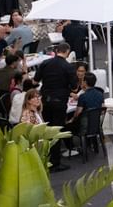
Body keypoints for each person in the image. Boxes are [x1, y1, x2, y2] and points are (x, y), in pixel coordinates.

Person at [36, 43, 73, 172]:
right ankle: (55, 162)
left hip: (46, 100)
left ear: (57, 51)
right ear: (67, 52)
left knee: (47, 129)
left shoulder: (45, 63)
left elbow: (36, 80)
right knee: (56, 131)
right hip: (60, 101)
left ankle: (47, 156)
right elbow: (74, 86)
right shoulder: (68, 67)